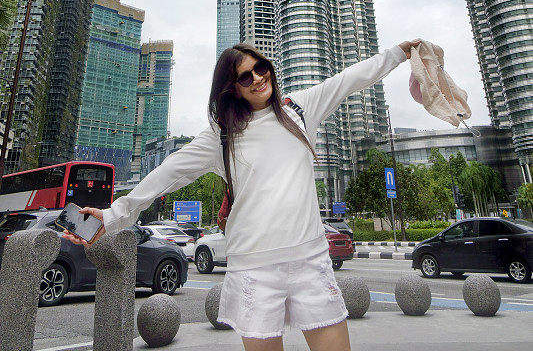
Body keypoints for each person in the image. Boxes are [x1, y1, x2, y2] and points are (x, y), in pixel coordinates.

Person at [64, 39, 421, 350]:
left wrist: (399, 52)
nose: (259, 78)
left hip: (310, 261)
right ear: (233, 88)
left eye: (261, 67)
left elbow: (351, 78)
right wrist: (114, 214)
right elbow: (167, 173)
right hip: (255, 267)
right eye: (246, 76)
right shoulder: (222, 135)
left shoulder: (299, 109)